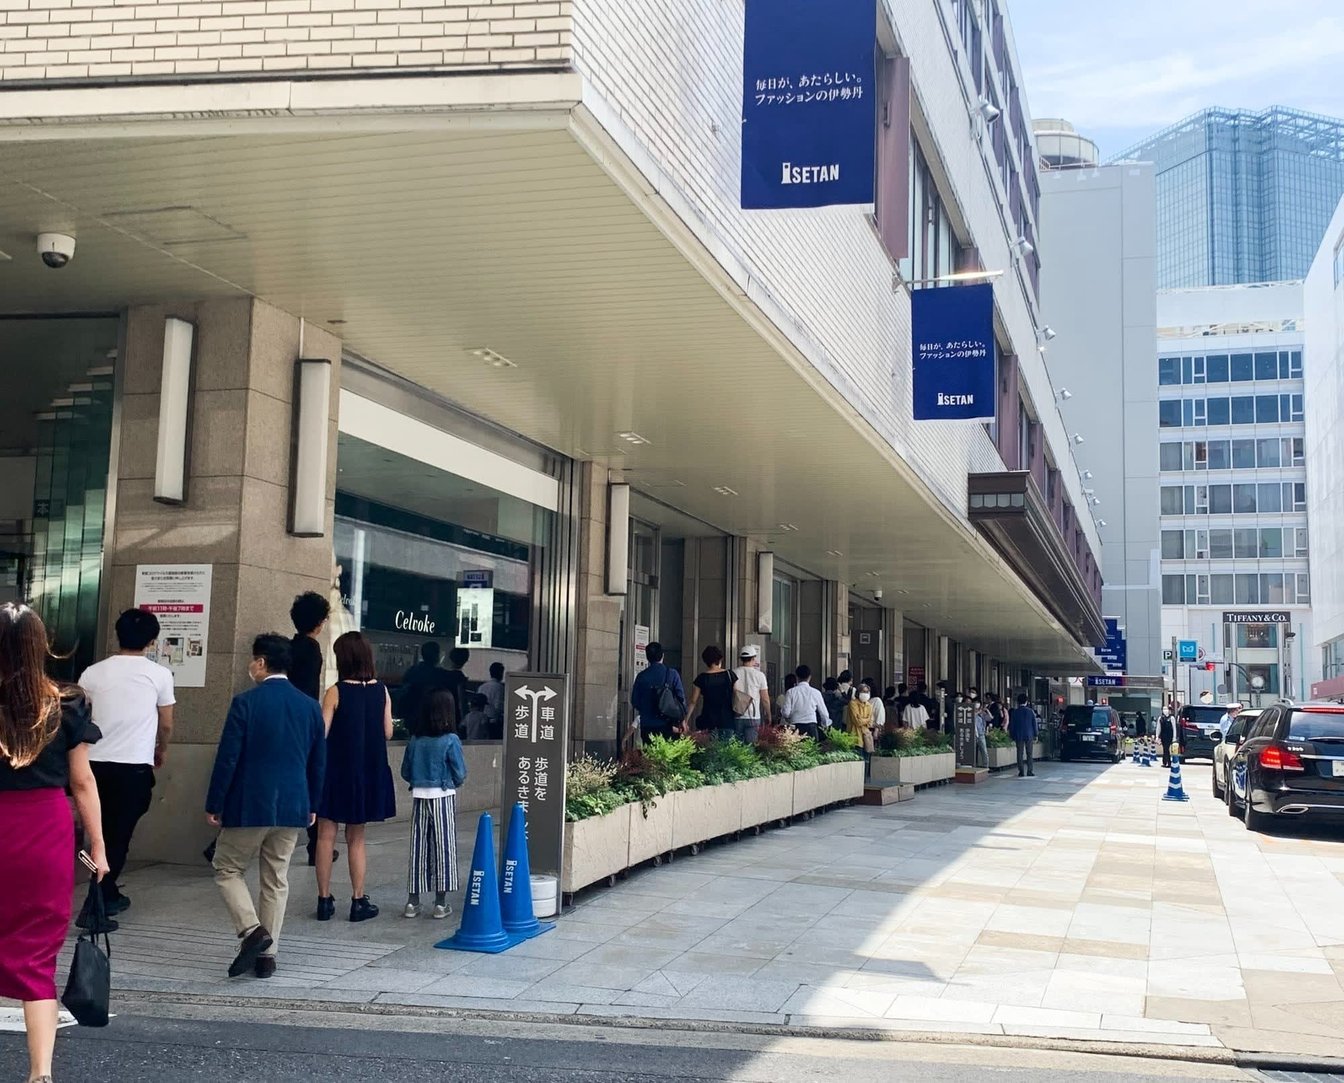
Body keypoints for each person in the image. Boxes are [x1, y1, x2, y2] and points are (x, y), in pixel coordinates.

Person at [0, 604, 107, 1083]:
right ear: (39, 645)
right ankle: (40, 1073)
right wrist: (97, 848)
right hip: (44, 830)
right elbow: (82, 782)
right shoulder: (67, 704)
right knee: (37, 957)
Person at [206, 633, 325, 980]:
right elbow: (318, 761)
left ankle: (252, 930)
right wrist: (313, 802)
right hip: (294, 803)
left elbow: (228, 758)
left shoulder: (245, 703)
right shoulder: (310, 707)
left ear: (260, 662)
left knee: (227, 868)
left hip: (249, 803)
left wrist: (215, 801)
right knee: (276, 878)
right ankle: (267, 957)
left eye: (252, 660)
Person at [77, 607, 174, 923]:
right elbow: (167, 723)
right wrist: (160, 749)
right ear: (152, 641)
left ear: (117, 635)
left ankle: (105, 893)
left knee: (98, 834)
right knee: (118, 837)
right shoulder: (159, 675)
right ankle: (95, 904)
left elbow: (80, 716)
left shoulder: (92, 673)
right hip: (133, 767)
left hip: (93, 766)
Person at [315, 631, 397, 924]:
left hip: (336, 771)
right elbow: (388, 732)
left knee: (325, 836)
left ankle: (324, 901)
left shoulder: (335, 691)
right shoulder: (382, 691)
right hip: (367, 772)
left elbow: (322, 733)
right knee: (356, 838)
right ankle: (358, 900)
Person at [400, 689, 467, 920]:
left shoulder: (415, 740)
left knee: (418, 848)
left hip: (419, 796)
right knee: (443, 847)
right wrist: (451, 781)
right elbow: (460, 773)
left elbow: (405, 771)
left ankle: (412, 902)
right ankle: (440, 903)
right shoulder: (451, 740)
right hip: (443, 795)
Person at [287, 591, 334, 868]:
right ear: (318, 622)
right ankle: (316, 845)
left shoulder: (288, 646)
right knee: (312, 780)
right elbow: (309, 689)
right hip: (303, 722)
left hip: (284, 719)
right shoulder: (312, 649)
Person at [629, 642, 687, 742]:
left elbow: (635, 701)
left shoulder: (641, 677)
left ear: (647, 657)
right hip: (668, 725)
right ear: (662, 655)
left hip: (647, 725)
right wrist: (682, 720)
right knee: (668, 751)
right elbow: (681, 699)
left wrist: (646, 710)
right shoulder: (672, 674)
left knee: (650, 751)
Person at [686, 645, 737, 741]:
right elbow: (736, 694)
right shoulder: (729, 675)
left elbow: (693, 701)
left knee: (709, 748)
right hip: (727, 720)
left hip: (708, 720)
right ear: (720, 659)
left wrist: (686, 720)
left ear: (706, 661)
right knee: (727, 749)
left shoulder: (702, 678)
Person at [398, 642, 451, 728]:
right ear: (437, 655)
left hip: (412, 716)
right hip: (434, 717)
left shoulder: (412, 671)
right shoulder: (441, 675)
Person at [731, 645, 772, 744]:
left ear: (741, 659)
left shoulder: (733, 673)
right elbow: (765, 699)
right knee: (751, 747)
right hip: (753, 715)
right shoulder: (760, 675)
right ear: (754, 658)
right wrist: (769, 715)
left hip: (737, 715)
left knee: (737, 747)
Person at [780, 664, 829, 740]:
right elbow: (824, 713)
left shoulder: (790, 692)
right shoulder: (816, 692)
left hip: (795, 727)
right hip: (811, 727)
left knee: (796, 747)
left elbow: (786, 713)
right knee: (812, 747)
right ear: (809, 677)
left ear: (797, 677)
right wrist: (825, 725)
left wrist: (789, 718)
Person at [1008, 693, 1038, 778]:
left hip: (1019, 735)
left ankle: (1021, 771)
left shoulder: (1015, 712)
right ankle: (1030, 771)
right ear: (1026, 701)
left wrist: (1012, 735)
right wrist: (1036, 734)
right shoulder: (1030, 711)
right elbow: (1034, 723)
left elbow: (1012, 725)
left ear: (1018, 702)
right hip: (1029, 735)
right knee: (1029, 753)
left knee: (1019, 753)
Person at [845, 682, 878, 754]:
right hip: (855, 736)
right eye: (863, 692)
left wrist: (863, 719)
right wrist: (867, 719)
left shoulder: (869, 705)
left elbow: (870, 722)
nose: (865, 694)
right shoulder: (853, 703)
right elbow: (857, 721)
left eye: (867, 692)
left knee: (867, 757)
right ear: (858, 692)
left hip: (866, 736)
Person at [478, 662, 506, 737]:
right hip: (494, 722)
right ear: (501, 673)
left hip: (480, 721)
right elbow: (499, 706)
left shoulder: (481, 687)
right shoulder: (500, 687)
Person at [973, 696, 991, 768]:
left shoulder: (982, 713)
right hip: (972, 734)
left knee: (984, 750)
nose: (977, 704)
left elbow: (990, 718)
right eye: (975, 702)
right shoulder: (970, 712)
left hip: (981, 734)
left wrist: (987, 710)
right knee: (973, 751)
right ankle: (974, 765)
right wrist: (977, 712)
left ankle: (986, 765)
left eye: (978, 703)